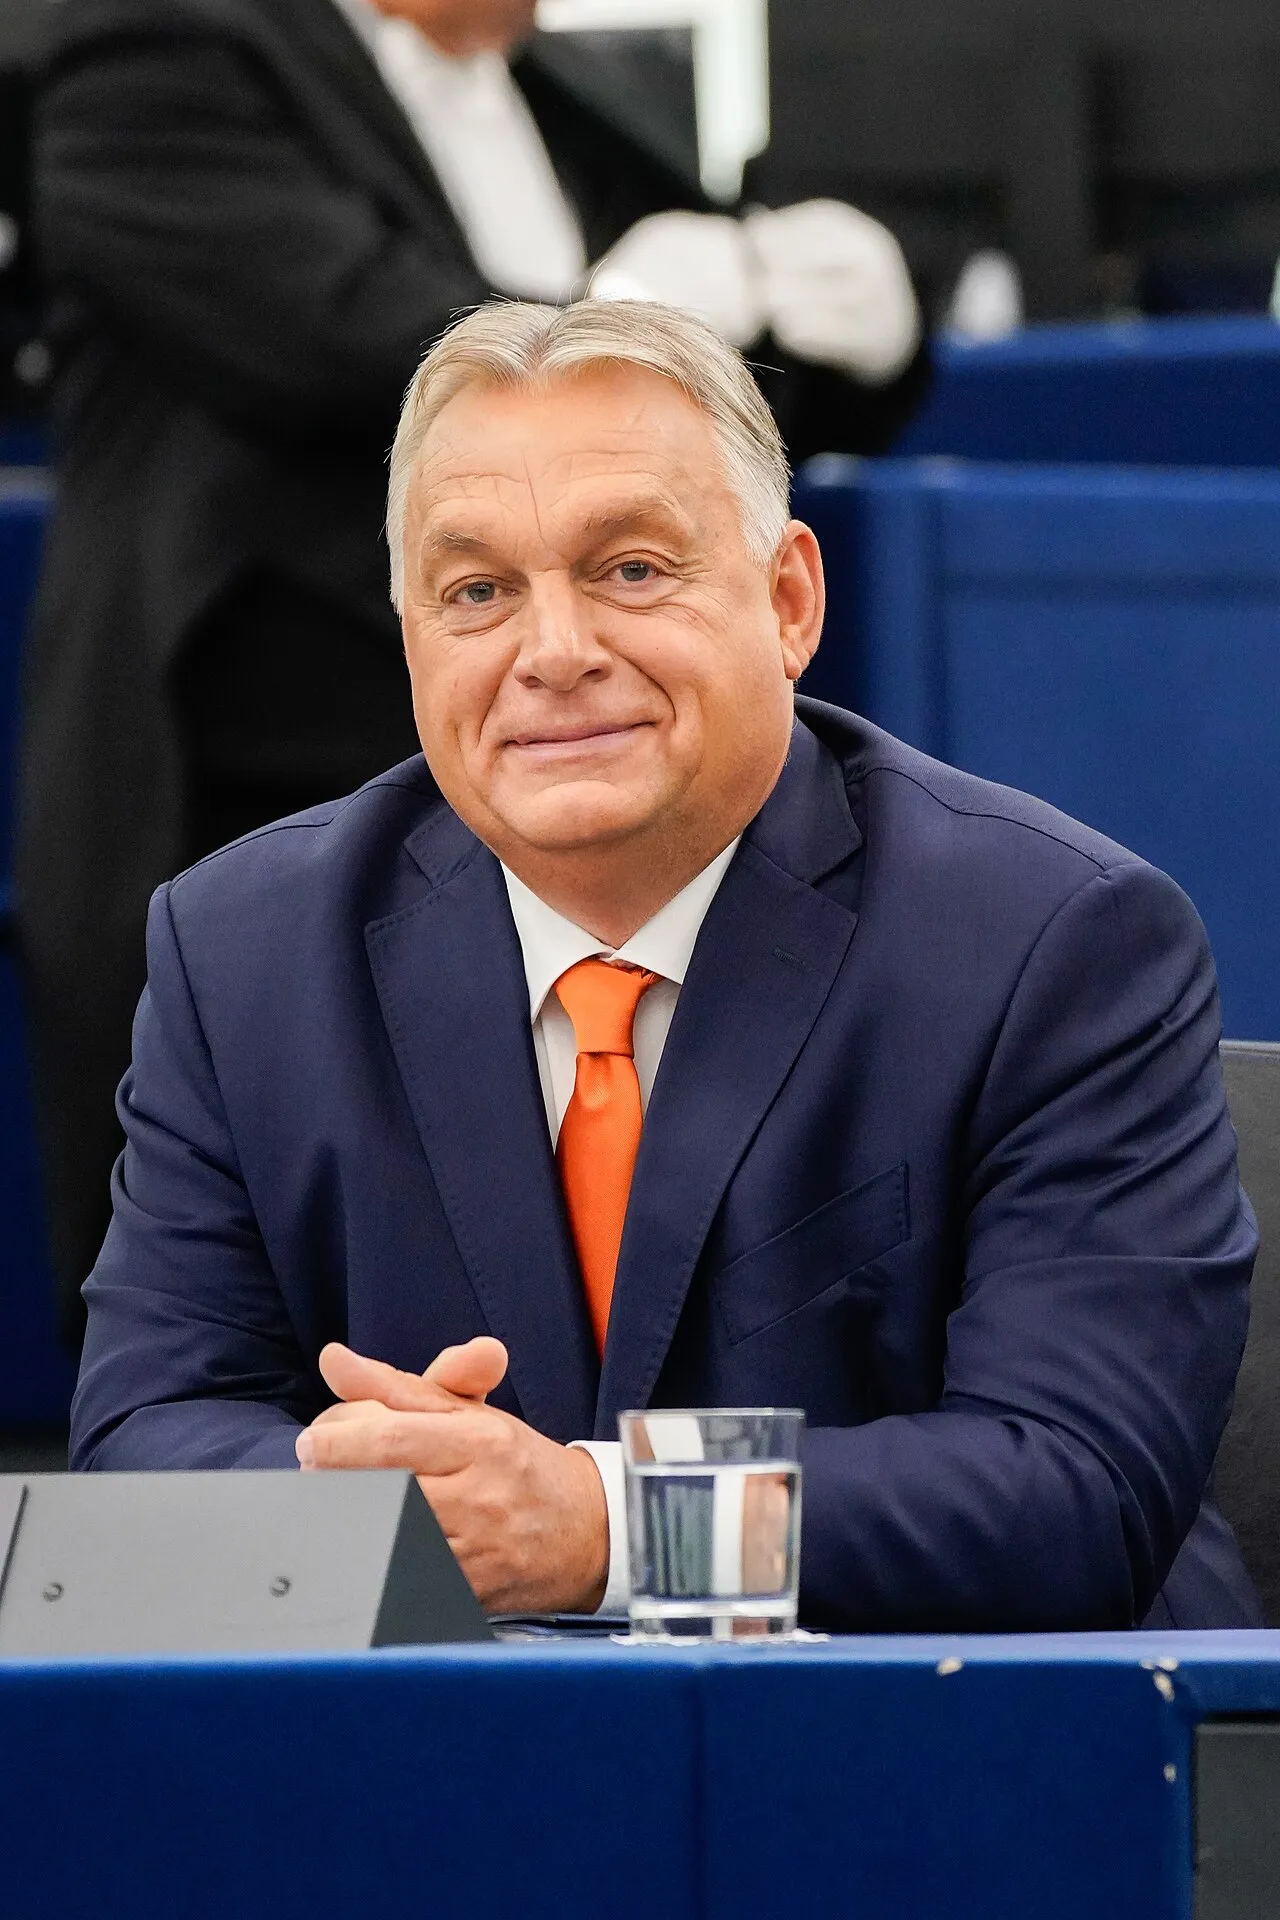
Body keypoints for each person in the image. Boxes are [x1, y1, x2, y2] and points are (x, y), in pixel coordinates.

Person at [70, 297, 1259, 1632]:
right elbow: (142, 1445)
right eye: (478, 593)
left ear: (789, 600)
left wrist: (606, 1524)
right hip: (454, 1740)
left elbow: (1075, 1491)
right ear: (410, 639)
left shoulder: (1056, 942)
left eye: (631, 570)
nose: (554, 654)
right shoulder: (242, 954)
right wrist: (393, 1504)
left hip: (955, 1734)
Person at [16, 0, 929, 1341]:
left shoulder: (569, 97)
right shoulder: (156, 55)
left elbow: (714, 428)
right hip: (253, 788)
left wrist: (863, 331)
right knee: (276, 1306)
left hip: (601, 848)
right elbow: (343, 342)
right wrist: (613, 319)